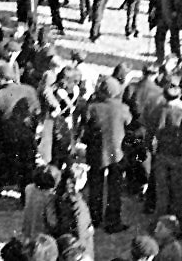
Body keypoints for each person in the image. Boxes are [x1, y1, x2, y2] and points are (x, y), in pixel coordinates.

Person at [145, 78, 182, 234]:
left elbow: (148, 135)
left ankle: (157, 226)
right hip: (178, 158)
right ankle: (181, 227)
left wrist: (152, 150)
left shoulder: (157, 111)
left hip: (161, 156)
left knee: (162, 194)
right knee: (179, 195)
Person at [79, 77, 131, 233]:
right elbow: (129, 122)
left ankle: (94, 218)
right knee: (115, 188)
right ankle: (112, 221)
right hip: (117, 152)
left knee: (95, 186)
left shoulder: (92, 108)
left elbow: (85, 127)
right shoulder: (122, 108)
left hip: (96, 151)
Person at [0, 62, 40, 197]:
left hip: (6, 136)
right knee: (27, 166)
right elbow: (37, 112)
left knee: (0, 164)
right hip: (26, 135)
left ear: (0, 77)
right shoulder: (29, 90)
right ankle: (26, 194)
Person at [45, 163, 94, 259]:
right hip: (78, 246)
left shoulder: (56, 198)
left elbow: (51, 220)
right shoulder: (78, 203)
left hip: (63, 241)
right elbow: (81, 226)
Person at [22, 165, 60, 240]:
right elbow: (51, 221)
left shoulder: (29, 189)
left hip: (27, 233)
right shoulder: (49, 196)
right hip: (41, 237)